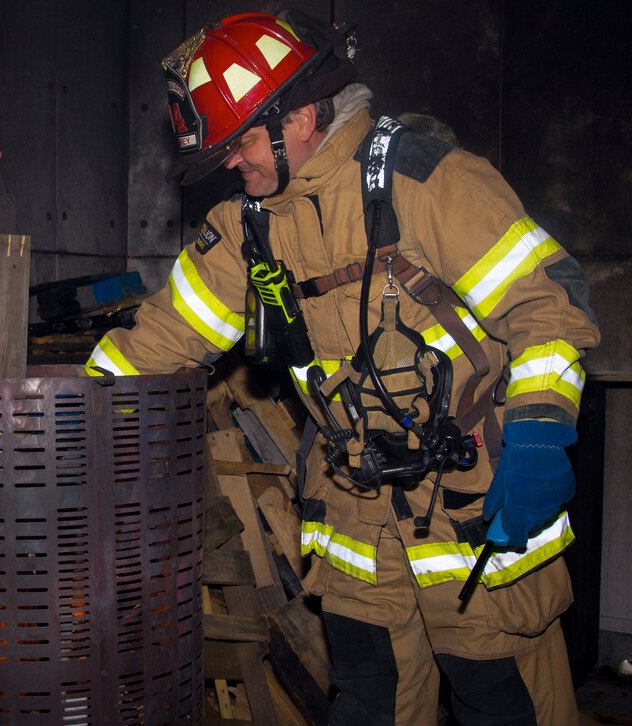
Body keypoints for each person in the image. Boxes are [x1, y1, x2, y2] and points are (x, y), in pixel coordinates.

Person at [85, 9, 600, 725]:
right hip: (355, 522)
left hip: (478, 512)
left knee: (504, 704)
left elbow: (547, 310)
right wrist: (66, 420)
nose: (233, 163)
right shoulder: (247, 227)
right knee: (369, 703)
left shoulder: (428, 181)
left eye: (242, 143)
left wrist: (542, 436)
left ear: (298, 115)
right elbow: (161, 341)